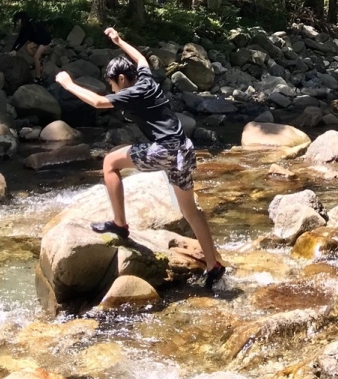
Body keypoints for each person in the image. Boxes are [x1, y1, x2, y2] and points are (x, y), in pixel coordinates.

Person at [55, 27, 225, 289]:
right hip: (183, 148)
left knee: (109, 162)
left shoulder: (133, 92)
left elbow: (99, 103)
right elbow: (142, 59)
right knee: (190, 211)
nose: (112, 88)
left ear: (122, 79)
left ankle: (120, 224)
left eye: (113, 83)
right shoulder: (146, 78)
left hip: (167, 150)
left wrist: (68, 84)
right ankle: (213, 265)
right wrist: (120, 40)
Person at [12, 11, 52, 82]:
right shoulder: (24, 27)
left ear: (22, 19)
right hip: (37, 41)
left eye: (18, 20)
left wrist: (16, 49)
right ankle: (39, 63)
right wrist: (13, 49)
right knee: (28, 47)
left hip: (44, 41)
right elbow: (19, 39)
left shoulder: (29, 26)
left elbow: (24, 39)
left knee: (36, 57)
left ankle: (38, 77)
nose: (17, 23)